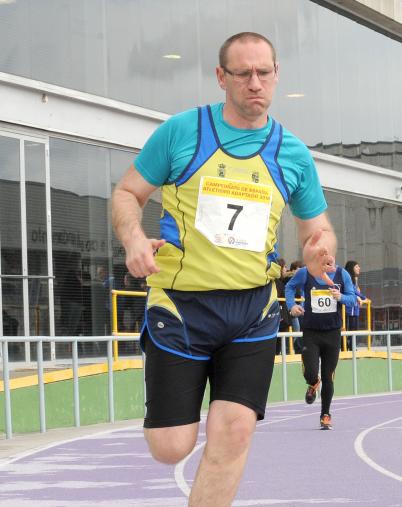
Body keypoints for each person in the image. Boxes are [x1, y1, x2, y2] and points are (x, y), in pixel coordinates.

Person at [110, 32, 337, 506]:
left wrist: (320, 252)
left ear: (277, 76)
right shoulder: (182, 132)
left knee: (233, 434)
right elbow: (127, 193)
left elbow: (319, 228)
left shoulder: (292, 153)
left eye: (264, 72)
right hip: (181, 305)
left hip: (252, 309)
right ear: (222, 78)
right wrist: (133, 239)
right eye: (243, 73)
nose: (255, 83)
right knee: (170, 447)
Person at [285, 264, 356, 430]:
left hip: (332, 334)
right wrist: (291, 306)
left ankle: (325, 415)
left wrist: (341, 297)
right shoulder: (305, 272)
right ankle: (313, 383)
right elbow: (289, 286)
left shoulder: (342, 274)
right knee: (310, 372)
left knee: (328, 375)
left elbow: (352, 299)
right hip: (311, 333)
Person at [344, 260, 366, 333]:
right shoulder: (347, 280)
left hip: (355, 310)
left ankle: (350, 344)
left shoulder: (354, 280)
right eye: (356, 266)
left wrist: (362, 298)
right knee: (349, 333)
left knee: (354, 333)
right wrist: (362, 298)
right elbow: (354, 292)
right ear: (351, 268)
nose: (359, 268)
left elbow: (357, 292)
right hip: (349, 311)